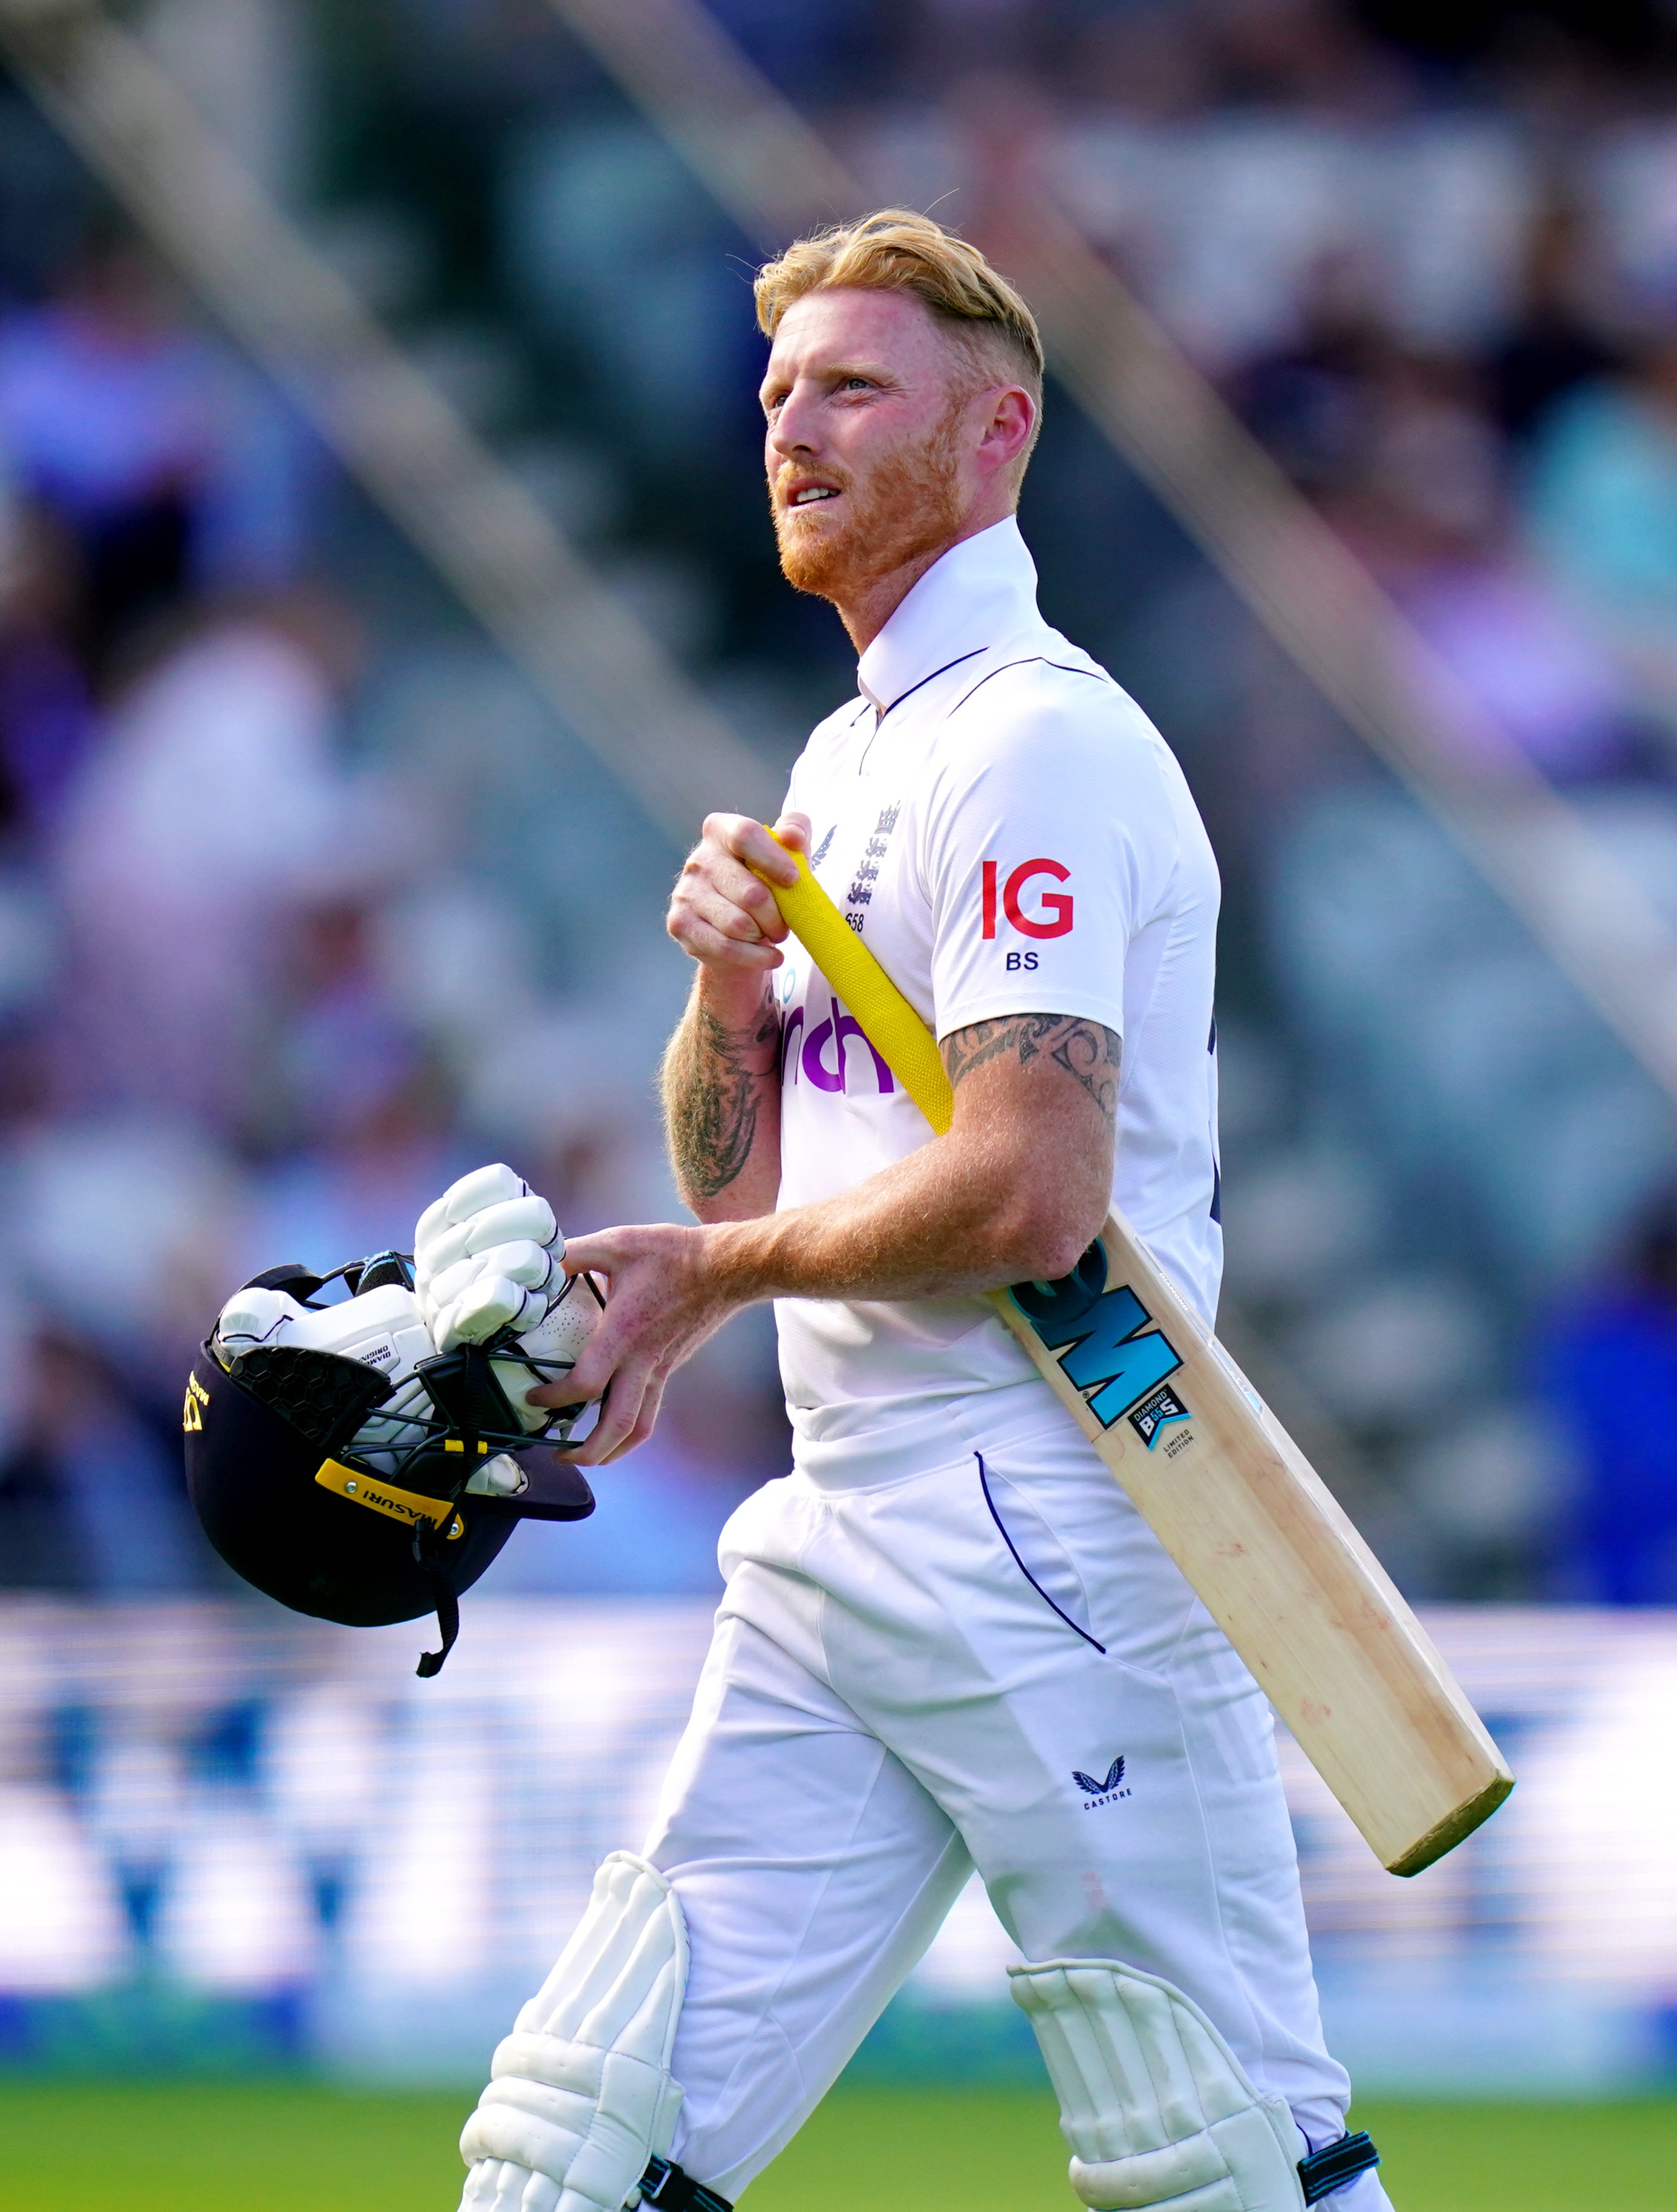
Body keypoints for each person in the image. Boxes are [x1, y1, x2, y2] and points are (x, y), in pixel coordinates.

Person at [445, 212, 1390, 2212]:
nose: (791, 423)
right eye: (778, 390)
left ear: (996, 437)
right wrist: (722, 1002)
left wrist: (709, 1276)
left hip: (1065, 1507)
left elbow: (1036, 1197)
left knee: (1225, 2159)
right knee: (577, 2137)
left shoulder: (1036, 737)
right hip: (852, 1510)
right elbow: (750, 1170)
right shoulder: (849, 751)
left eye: (852, 386)